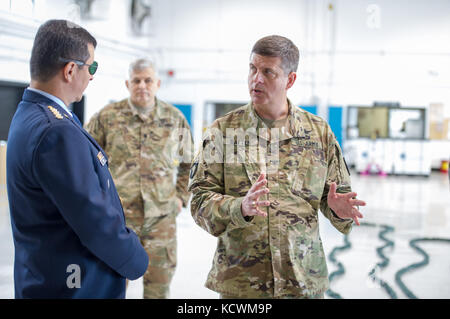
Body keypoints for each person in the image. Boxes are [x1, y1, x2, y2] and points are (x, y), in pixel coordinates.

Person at [188, 35, 366, 299]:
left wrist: (339, 211)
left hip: (303, 281)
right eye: (252, 69)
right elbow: (199, 201)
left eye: (268, 72)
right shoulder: (222, 132)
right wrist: (240, 207)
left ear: (290, 80)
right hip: (243, 285)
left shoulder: (319, 133)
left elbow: (339, 202)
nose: (256, 79)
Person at [6, 19, 148, 299]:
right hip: (75, 287)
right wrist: (136, 259)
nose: (92, 76)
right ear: (71, 70)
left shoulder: (28, 114)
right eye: (91, 67)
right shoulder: (56, 131)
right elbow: (94, 221)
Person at [85, 58, 193, 298]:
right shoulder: (107, 117)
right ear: (127, 83)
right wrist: (99, 201)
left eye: (148, 80)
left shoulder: (175, 118)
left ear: (158, 83)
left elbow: (189, 163)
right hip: (119, 217)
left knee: (159, 286)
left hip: (161, 219)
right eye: (137, 80)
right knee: (112, 283)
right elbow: (85, 159)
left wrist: (180, 197)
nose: (142, 85)